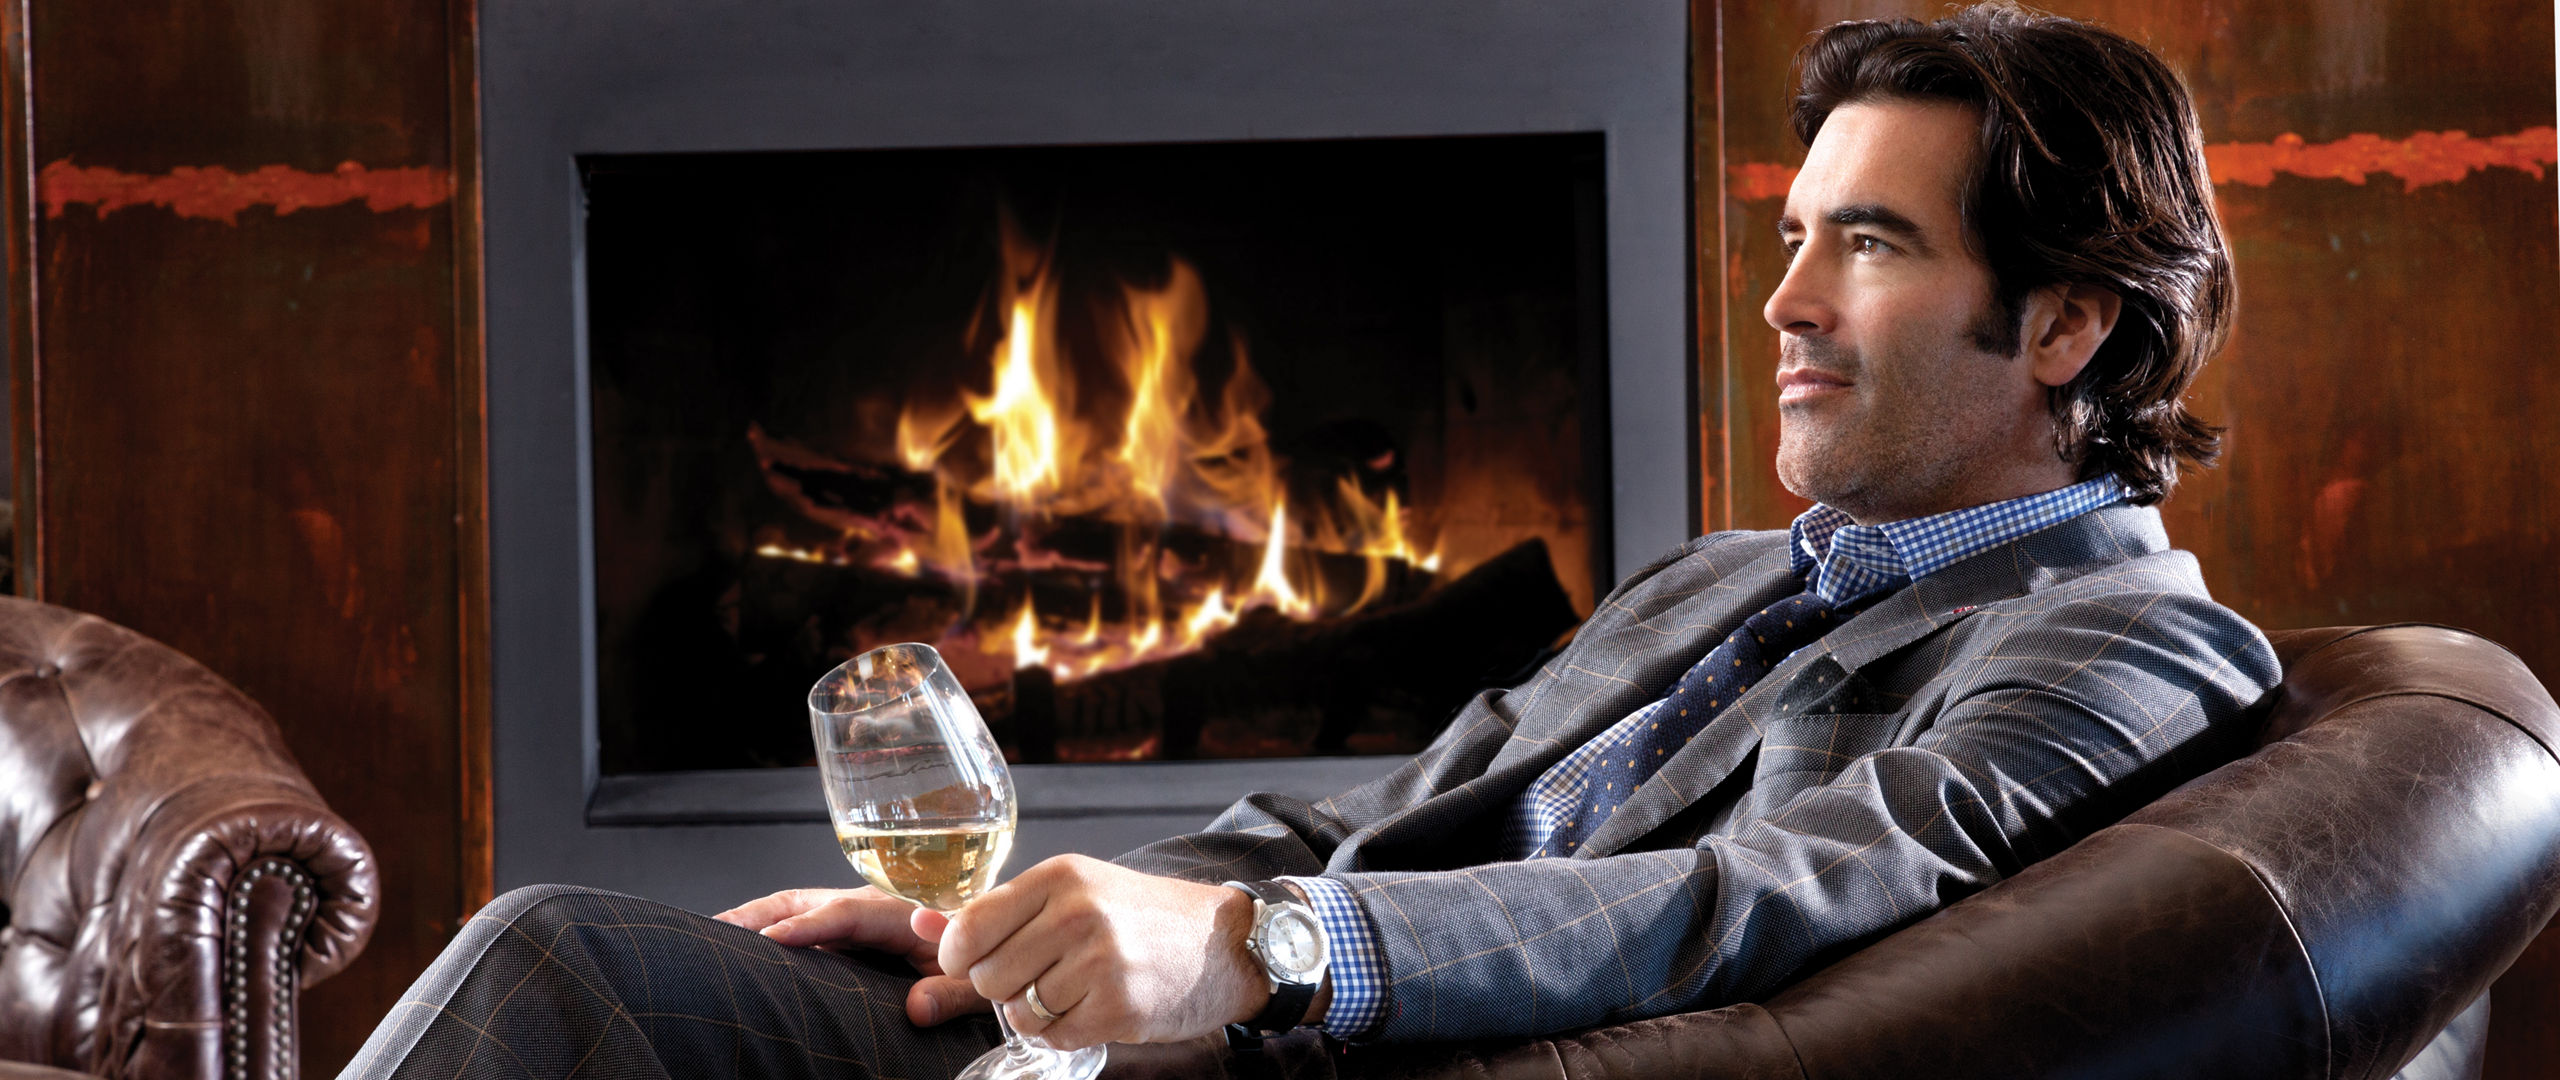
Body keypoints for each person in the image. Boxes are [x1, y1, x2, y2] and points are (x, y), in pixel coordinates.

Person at [339, 5, 2279, 1076]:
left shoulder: (2116, 644)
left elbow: (1755, 901)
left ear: (2060, 322)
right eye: (1792, 232)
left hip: (1319, 1058)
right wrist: (1019, 919)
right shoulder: (1726, 574)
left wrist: (1260, 958)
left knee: (560, 994)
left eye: (1865, 243)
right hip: (1196, 1028)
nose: (1778, 301)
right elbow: (1345, 824)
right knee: (569, 953)